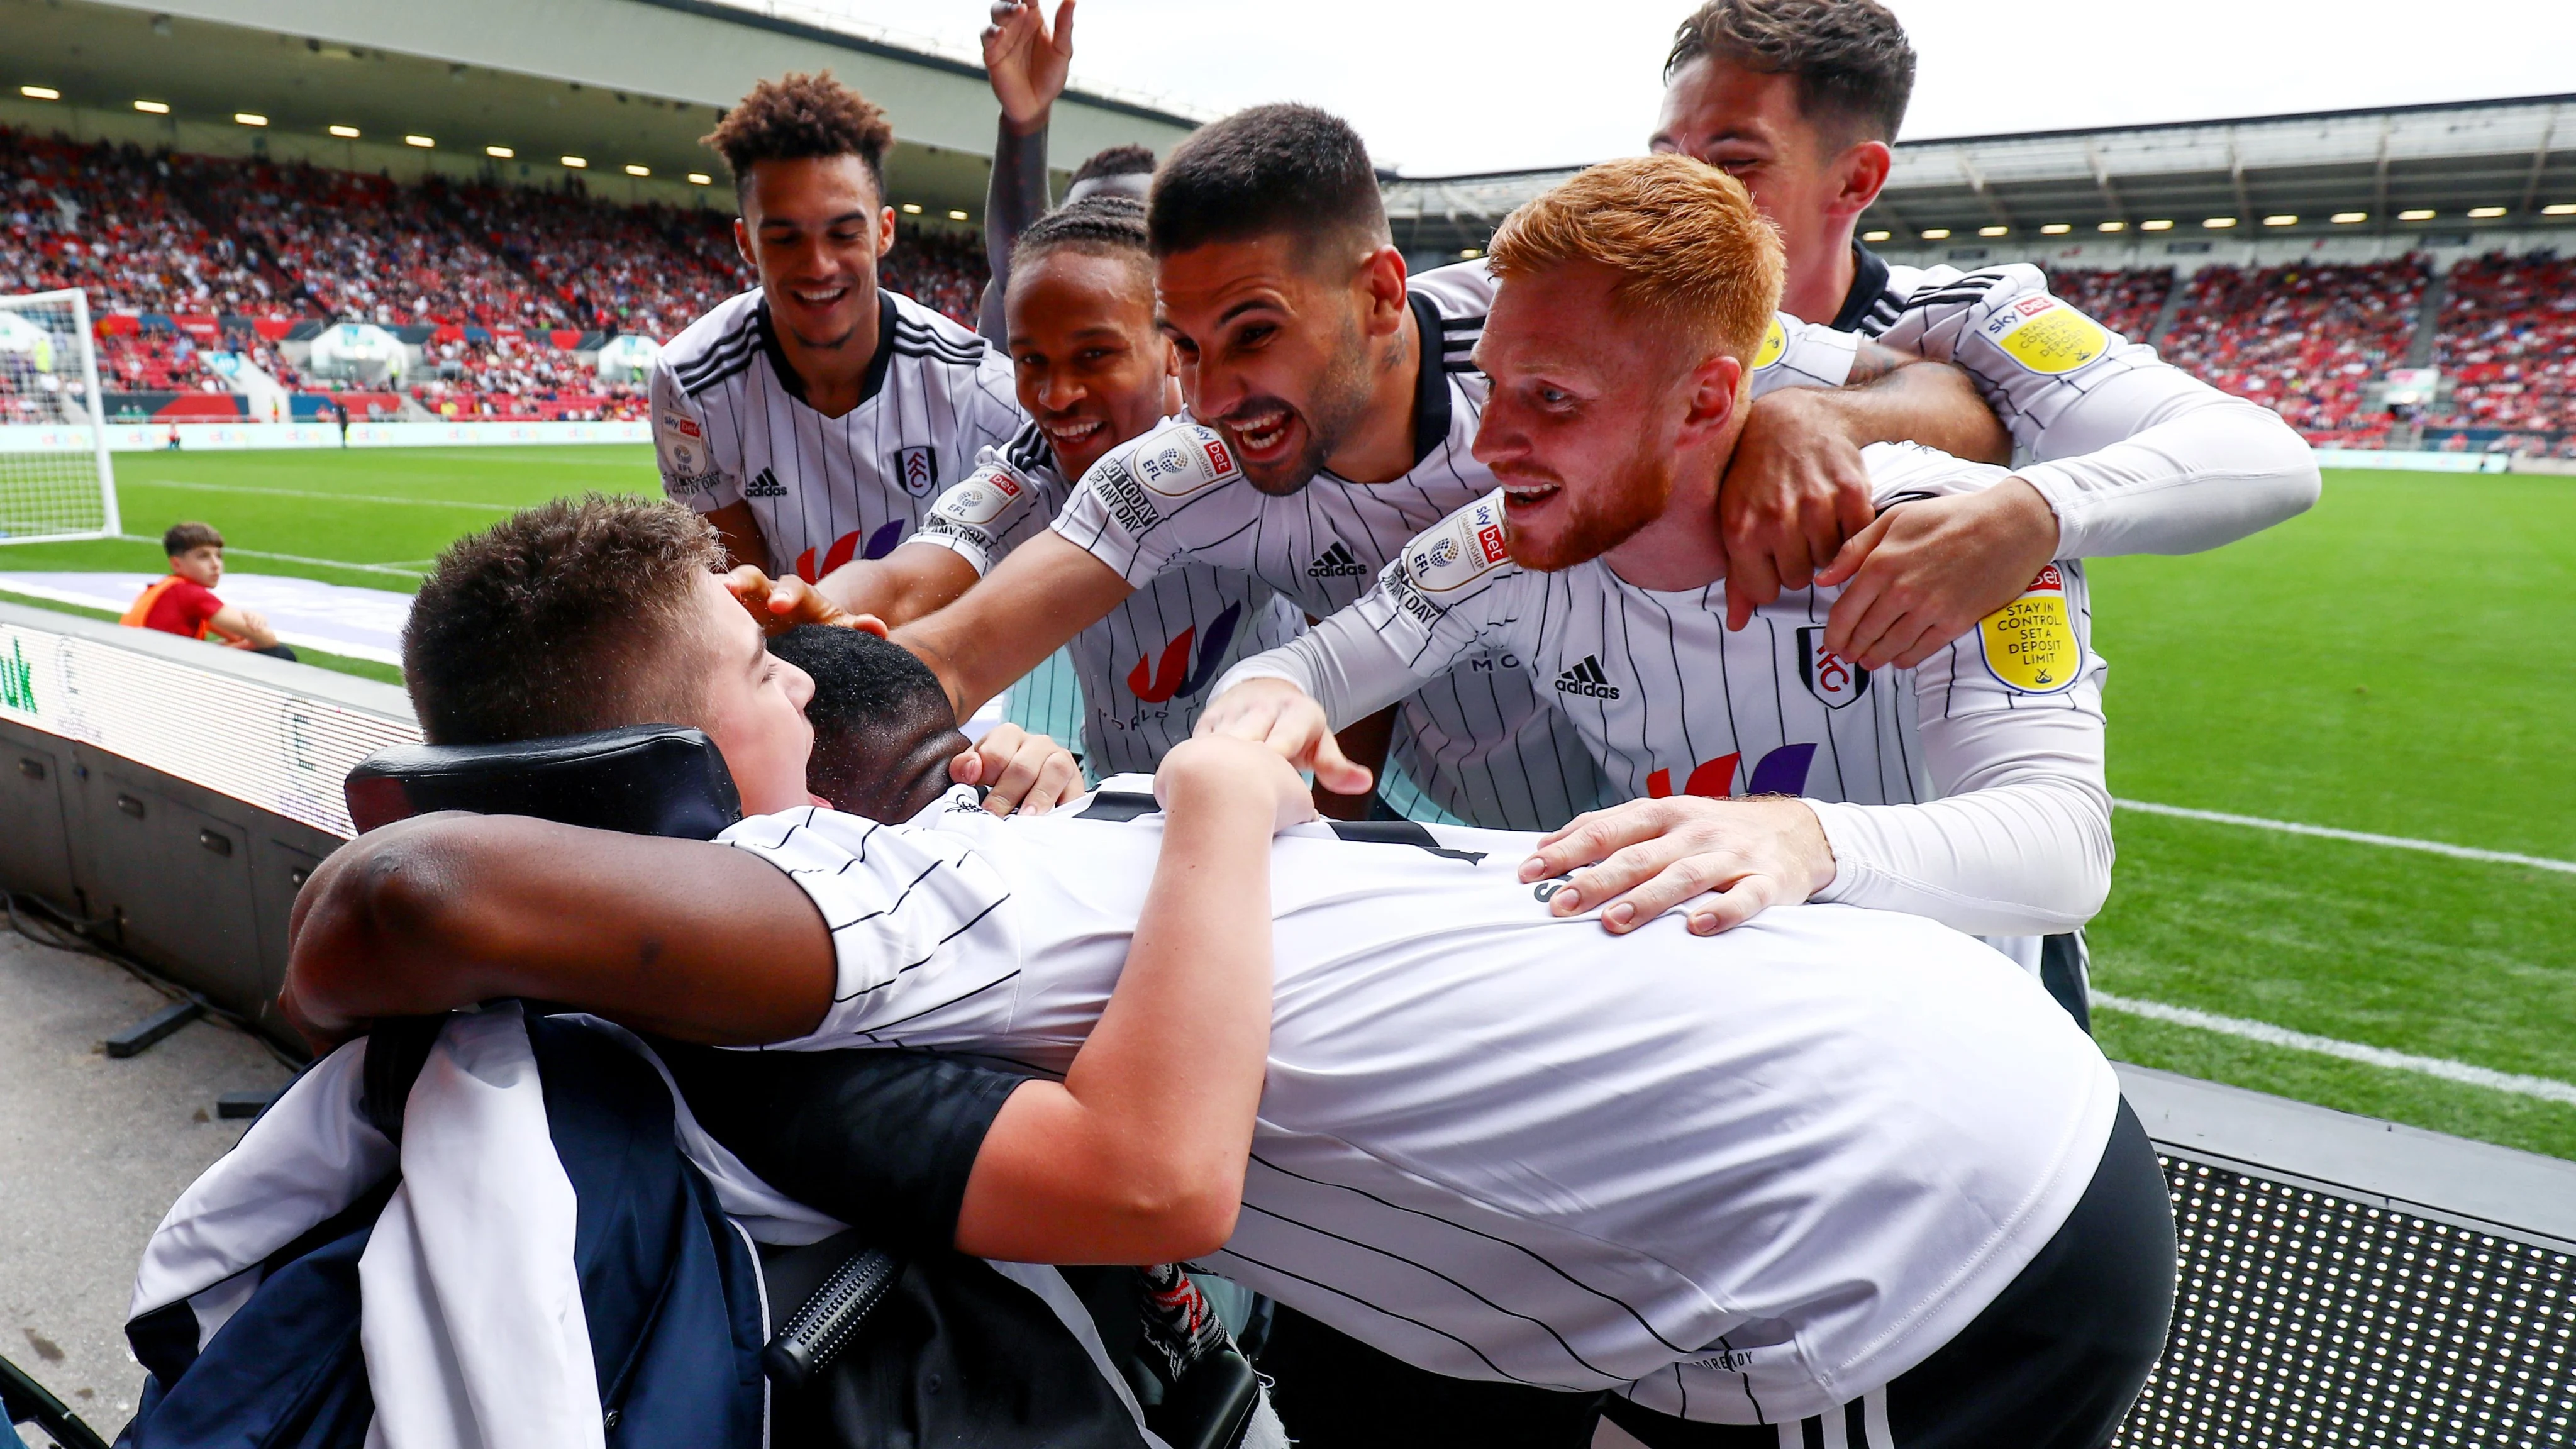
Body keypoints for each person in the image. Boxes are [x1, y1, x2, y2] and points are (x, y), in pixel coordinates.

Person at [283, 492, 2174, 1449]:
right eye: (762, 667)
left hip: (1905, 1199)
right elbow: (404, 893)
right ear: (667, 789)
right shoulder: (791, 929)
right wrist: (1205, 800)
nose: (806, 642)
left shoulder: (873, 878)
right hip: (1875, 1199)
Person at [886, 103, 2007, 830]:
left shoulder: (1546, 330)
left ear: (1381, 293)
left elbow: (1954, 397)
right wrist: (765, 675)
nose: (1212, 394)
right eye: (1184, 344)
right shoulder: (1186, 466)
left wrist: (1816, 419)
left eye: (1255, 331)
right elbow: (953, 648)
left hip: (1759, 815)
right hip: (1469, 844)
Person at [1202, 156, 2104, 1003]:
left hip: (1955, 1047)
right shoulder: (1505, 539)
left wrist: (1803, 837)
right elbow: (1309, 668)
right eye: (1495, 388)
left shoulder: (1948, 530)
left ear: (1707, 400)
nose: (1487, 446)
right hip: (1701, 1026)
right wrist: (1261, 702)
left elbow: (2066, 846)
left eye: (1552, 398)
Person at [1647, 0, 2319, 665]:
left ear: (1856, 179)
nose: (1679, 192)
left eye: (1734, 163)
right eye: (1662, 158)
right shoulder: (1612, 326)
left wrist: (2027, 516)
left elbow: (2265, 457)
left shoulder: (1960, 317)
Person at [741, 197, 1304, 780]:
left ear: (1170, 346)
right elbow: (907, 578)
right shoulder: (1034, 465)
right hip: (1120, 799)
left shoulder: (1245, 451)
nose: (1057, 395)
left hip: (1285, 797)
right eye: (1031, 359)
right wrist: (813, 606)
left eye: (1094, 355)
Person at [647, 72, 1025, 592]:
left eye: (844, 233)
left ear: (884, 231)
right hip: (790, 662)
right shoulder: (690, 381)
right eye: (783, 239)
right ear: (746, 244)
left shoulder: (971, 381)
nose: (818, 265)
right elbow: (744, 590)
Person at [972, 0, 1157, 342]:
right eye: (1083, 232)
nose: (1108, 254)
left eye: (1136, 236)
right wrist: (1025, 124)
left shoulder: (1202, 357)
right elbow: (1018, 273)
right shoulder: (1033, 357)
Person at [119, 521, 296, 660]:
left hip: (137, 670)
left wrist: (251, 621)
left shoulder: (165, 588)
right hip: (158, 679)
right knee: (279, 655)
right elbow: (266, 639)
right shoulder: (189, 594)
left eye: (219, 556)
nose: (215, 565)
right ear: (176, 564)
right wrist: (256, 627)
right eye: (203, 556)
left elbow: (238, 636)